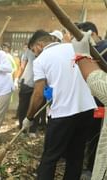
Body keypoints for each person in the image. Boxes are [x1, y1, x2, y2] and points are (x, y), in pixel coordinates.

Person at [22, 30, 97, 180]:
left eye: (33, 50)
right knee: (76, 156)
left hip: (63, 113)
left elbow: (37, 94)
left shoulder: (41, 59)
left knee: (50, 157)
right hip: (87, 109)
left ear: (39, 45)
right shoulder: (73, 48)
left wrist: (29, 117)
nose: (34, 54)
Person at [75, 21, 107, 178]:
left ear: (92, 34)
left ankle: (89, 167)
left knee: (95, 134)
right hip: (93, 99)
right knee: (93, 135)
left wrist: (82, 56)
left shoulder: (103, 47)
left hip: (100, 99)